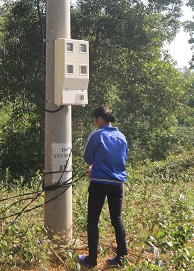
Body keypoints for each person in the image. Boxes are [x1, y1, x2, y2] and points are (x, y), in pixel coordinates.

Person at [77, 105, 128, 269]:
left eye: (94, 120)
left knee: (92, 220)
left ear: (99, 119)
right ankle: (121, 258)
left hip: (99, 182)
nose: (94, 123)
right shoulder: (122, 137)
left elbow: (87, 157)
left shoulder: (97, 134)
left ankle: (91, 260)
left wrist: (94, 165)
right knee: (117, 220)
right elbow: (122, 158)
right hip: (117, 184)